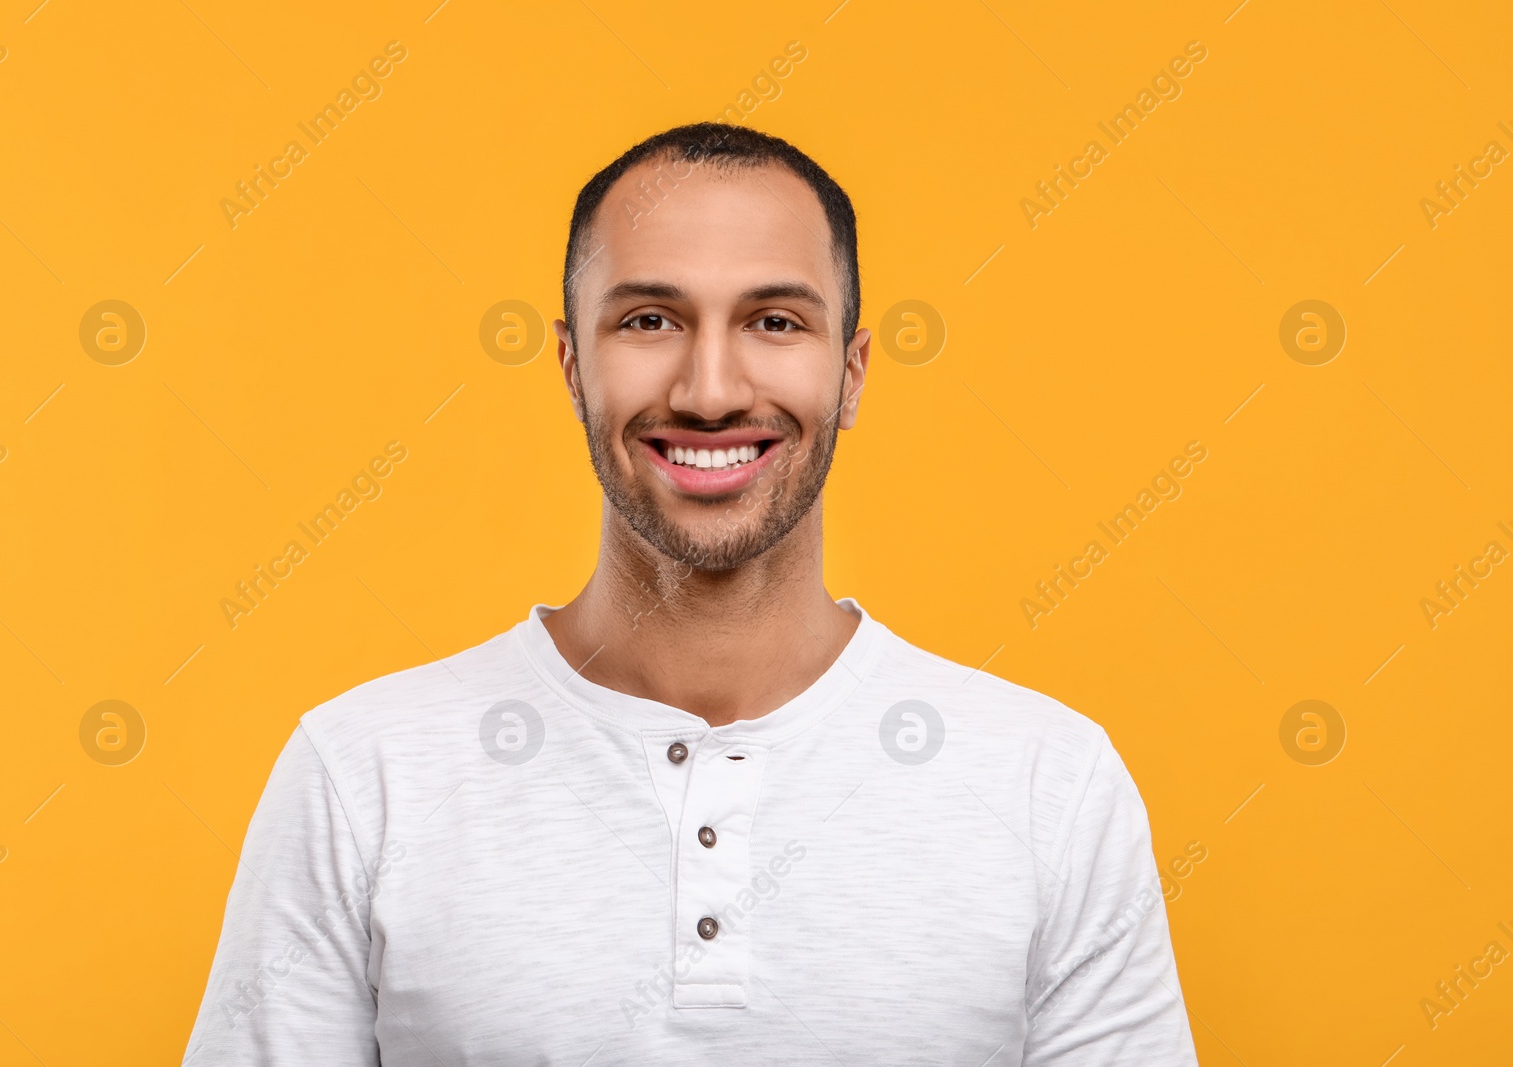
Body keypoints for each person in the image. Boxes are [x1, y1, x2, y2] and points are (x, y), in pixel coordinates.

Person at [183, 122, 1199, 1066]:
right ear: (573, 365)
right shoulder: (362, 775)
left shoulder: (1049, 785)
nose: (709, 389)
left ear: (850, 374)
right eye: (650, 318)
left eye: (772, 319)